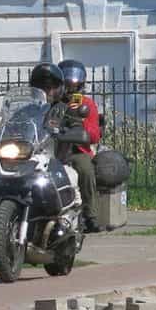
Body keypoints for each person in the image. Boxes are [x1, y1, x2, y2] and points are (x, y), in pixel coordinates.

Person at [58, 59, 102, 233]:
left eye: (74, 85)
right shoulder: (51, 102)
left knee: (86, 170)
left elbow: (94, 135)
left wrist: (79, 124)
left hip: (75, 150)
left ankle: (90, 215)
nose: (70, 89)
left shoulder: (87, 104)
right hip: (50, 148)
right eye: (67, 84)